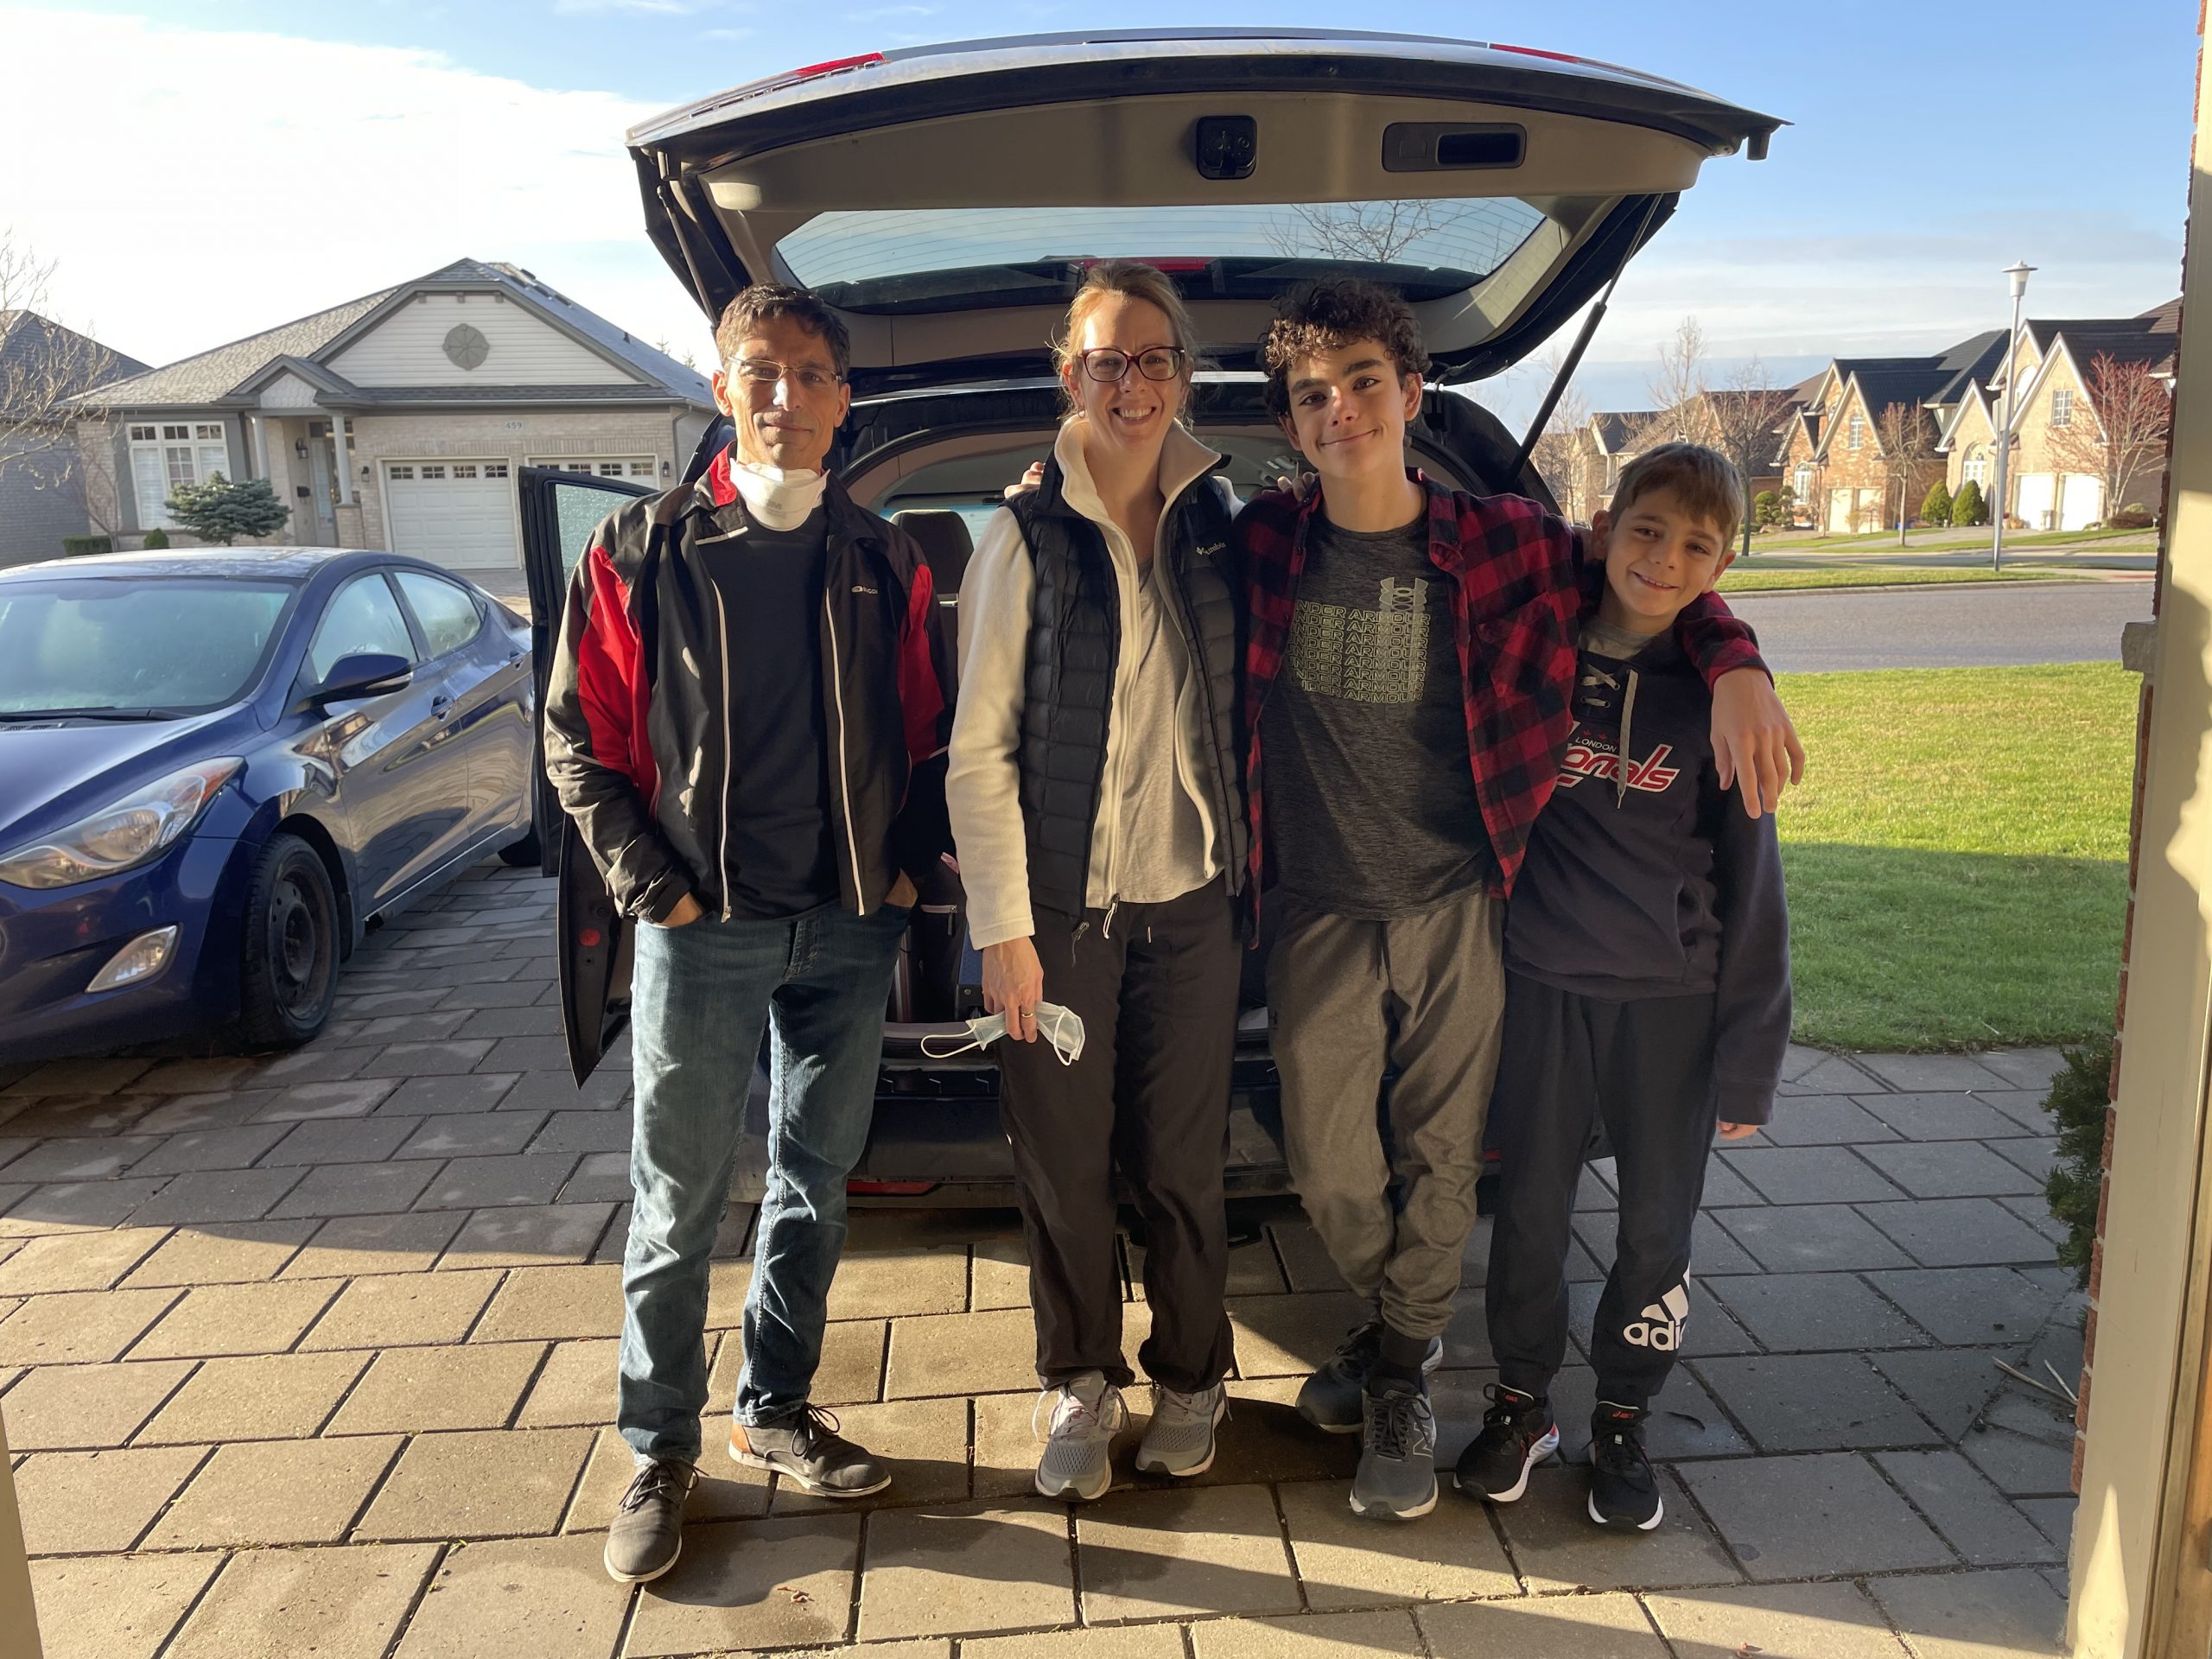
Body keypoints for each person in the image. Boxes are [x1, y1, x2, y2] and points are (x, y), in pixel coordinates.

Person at [1237, 278, 1801, 1522]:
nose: (1341, 411)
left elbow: (1658, 577)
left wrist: (1738, 660)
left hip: (1461, 900)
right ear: (1289, 421)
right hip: (1316, 903)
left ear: (1411, 393)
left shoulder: (1507, 540)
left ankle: (1400, 1363)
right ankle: (1405, 1318)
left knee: (1446, 1154)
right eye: (1313, 395)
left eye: (1365, 383)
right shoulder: (1263, 542)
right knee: (1329, 1162)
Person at [542, 283, 956, 1584]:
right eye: (760, 372)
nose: (786, 396)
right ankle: (658, 1449)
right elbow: (576, 740)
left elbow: (926, 733)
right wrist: (655, 892)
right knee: (675, 1207)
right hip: (701, 928)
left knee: (815, 1186)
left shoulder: (885, 558)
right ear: (722, 388)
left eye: (812, 373)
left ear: (843, 398)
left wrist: (902, 877)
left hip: (847, 930)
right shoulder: (639, 549)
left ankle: (773, 1408)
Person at [945, 260, 1249, 1503]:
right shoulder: (1021, 536)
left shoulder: (1221, 527)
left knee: (1181, 1164)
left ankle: (1193, 1378)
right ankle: (1079, 1380)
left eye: (1154, 358)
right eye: (1107, 360)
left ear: (1183, 373)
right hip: (1062, 917)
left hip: (1195, 907)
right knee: (1064, 1163)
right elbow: (979, 753)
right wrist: (1003, 931)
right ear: (1070, 374)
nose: (1133, 383)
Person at [1457, 442, 1791, 1532]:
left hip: (1671, 1004)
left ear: (1722, 564)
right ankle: (1521, 1403)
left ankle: (1621, 1413)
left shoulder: (1722, 701)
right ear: (1602, 529)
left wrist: (1750, 1059)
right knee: (1530, 1213)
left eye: (1696, 546)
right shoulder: (1534, 653)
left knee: (1656, 1225)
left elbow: (1753, 889)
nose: (1663, 559)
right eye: (1645, 531)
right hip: (1541, 986)